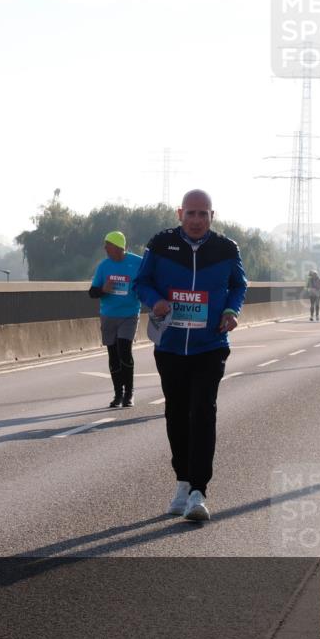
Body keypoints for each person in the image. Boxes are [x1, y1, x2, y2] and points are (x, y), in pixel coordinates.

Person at [133, 190, 247, 522]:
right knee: (177, 414)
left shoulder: (226, 249)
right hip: (170, 345)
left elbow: (239, 285)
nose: (196, 220)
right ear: (180, 213)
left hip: (210, 345)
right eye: (191, 213)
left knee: (203, 411)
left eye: (203, 214)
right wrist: (154, 300)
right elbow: (142, 281)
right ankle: (182, 482)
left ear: (213, 216)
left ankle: (199, 491)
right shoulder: (160, 244)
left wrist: (231, 309)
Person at [88, 230, 143, 408]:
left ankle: (129, 393)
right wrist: (103, 289)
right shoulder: (104, 266)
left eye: (108, 245)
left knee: (124, 350)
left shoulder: (137, 262)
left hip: (129, 314)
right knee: (113, 354)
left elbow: (150, 280)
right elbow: (92, 292)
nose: (105, 248)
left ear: (119, 247)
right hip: (109, 315)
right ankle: (118, 394)